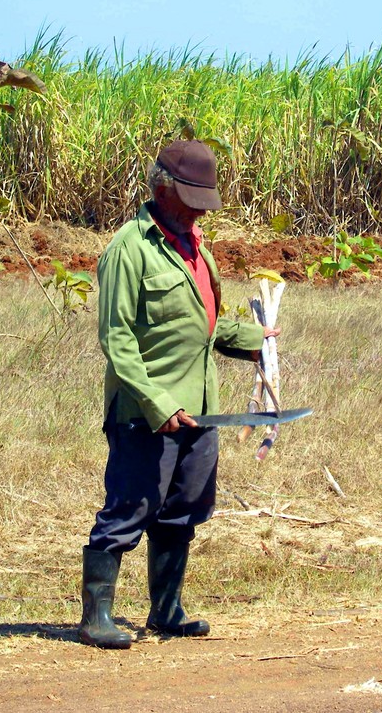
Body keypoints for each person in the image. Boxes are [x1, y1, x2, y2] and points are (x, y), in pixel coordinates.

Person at [80, 139, 280, 649]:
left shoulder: (198, 250)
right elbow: (117, 339)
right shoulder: (130, 249)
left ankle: (166, 610)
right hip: (146, 414)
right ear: (162, 187)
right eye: (190, 197)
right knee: (130, 510)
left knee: (182, 512)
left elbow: (206, 329)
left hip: (202, 414)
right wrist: (157, 403)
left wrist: (256, 342)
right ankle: (95, 616)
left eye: (204, 199)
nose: (198, 210)